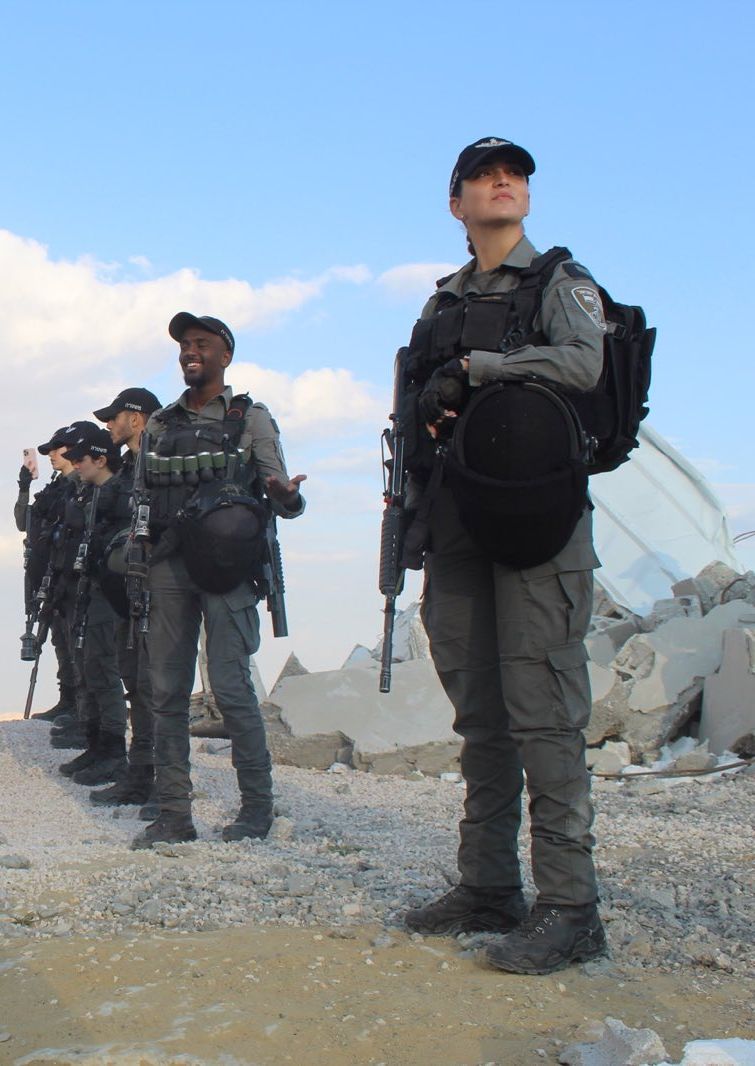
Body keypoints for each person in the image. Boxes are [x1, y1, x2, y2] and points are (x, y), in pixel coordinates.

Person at [398, 138, 608, 975]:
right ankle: (488, 886)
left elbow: (586, 365)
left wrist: (482, 368)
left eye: (514, 173)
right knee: (481, 714)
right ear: (456, 205)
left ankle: (571, 906)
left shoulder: (559, 281)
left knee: (545, 711)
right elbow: (412, 418)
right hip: (457, 520)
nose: (504, 181)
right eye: (485, 176)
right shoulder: (437, 305)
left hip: (537, 524)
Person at [137, 312, 306, 849]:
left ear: (224, 356)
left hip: (229, 568)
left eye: (201, 344)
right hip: (169, 566)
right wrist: (139, 556)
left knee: (233, 691)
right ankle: (174, 814)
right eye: (185, 345)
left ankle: (257, 810)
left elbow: (286, 495)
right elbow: (142, 499)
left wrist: (287, 498)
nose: (190, 351)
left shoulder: (251, 418)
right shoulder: (160, 425)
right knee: (166, 691)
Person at [89, 388, 161, 809]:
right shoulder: (132, 464)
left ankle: (162, 784)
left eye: (114, 417)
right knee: (135, 682)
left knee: (154, 687)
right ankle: (140, 775)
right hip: (129, 590)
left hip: (158, 587)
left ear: (135, 418)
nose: (109, 425)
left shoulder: (158, 456)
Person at [55, 425, 132, 786]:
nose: (76, 466)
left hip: (111, 594)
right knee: (92, 668)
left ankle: (114, 752)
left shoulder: (120, 493)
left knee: (104, 669)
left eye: (80, 459)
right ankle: (98, 745)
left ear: (101, 459)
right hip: (91, 589)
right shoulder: (96, 494)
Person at [16, 424, 87, 723]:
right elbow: (24, 522)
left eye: (56, 449)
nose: (50, 456)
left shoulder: (82, 484)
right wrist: (24, 487)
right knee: (59, 637)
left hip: (71, 576)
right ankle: (68, 699)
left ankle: (82, 704)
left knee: (74, 638)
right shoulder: (54, 489)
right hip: (48, 577)